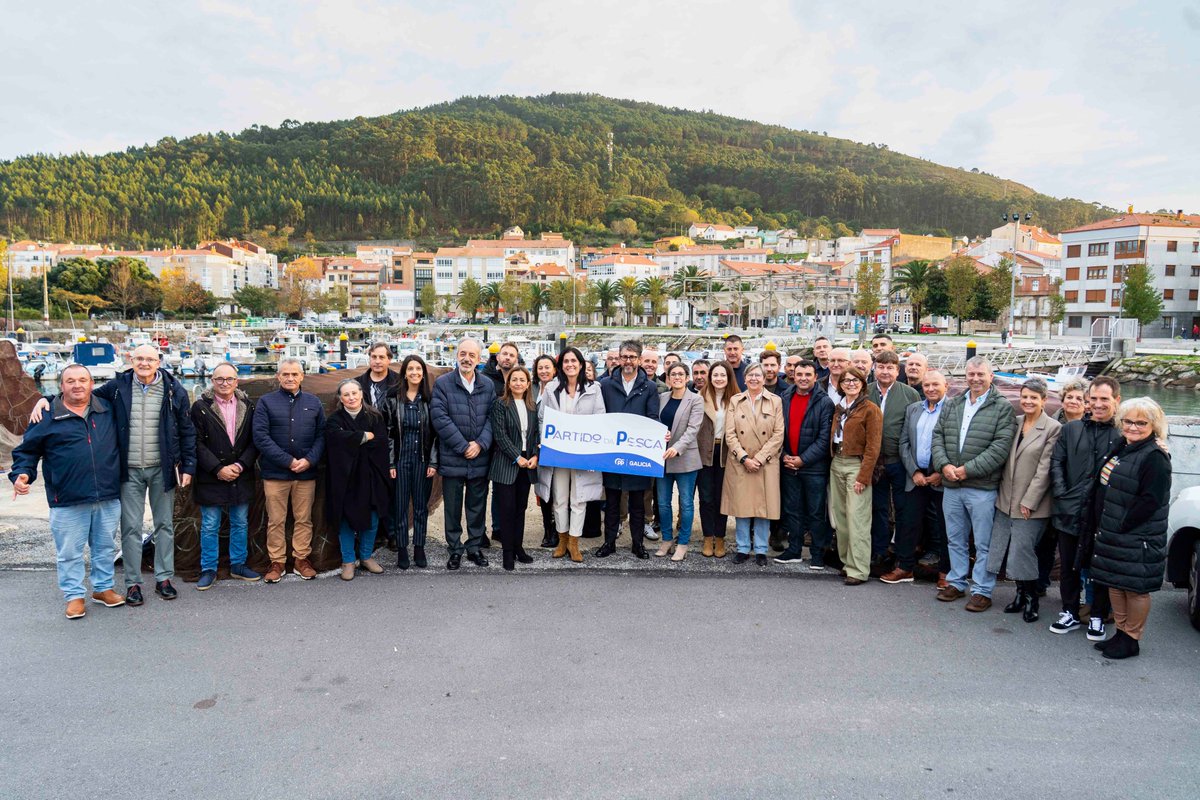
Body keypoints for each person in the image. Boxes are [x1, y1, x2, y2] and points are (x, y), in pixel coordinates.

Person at [33, 344, 197, 604]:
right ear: (131, 360)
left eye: (150, 359)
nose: (144, 363)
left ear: (159, 361)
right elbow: (82, 395)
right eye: (139, 358)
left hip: (162, 468)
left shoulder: (174, 389)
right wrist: (48, 398)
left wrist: (188, 466)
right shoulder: (118, 386)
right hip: (128, 470)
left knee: (164, 525)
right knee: (130, 527)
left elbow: (187, 429)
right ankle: (133, 583)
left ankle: (164, 578)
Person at [10, 365, 125, 618]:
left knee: (105, 547)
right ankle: (74, 595)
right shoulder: (47, 415)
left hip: (107, 494)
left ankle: (103, 588)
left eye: (82, 380)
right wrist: (22, 474)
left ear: (91, 383)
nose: (77, 385)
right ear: (61, 386)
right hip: (67, 498)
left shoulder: (107, 409)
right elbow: (27, 451)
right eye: (70, 381)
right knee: (70, 552)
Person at [1087, 398, 1171, 659]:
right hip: (1114, 531)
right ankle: (1121, 633)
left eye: (1141, 423)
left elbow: (1151, 501)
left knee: (1135, 589)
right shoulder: (1124, 446)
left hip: (1136, 534)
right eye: (1128, 421)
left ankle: (1132, 639)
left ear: (1154, 425)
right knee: (1116, 583)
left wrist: (1122, 524)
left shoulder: (1155, 457)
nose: (1133, 427)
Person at [931, 357, 1016, 610]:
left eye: (980, 374)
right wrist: (944, 465)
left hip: (982, 488)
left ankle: (982, 590)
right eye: (971, 374)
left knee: (983, 543)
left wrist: (968, 470)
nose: (975, 379)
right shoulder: (954, 403)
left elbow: (1000, 447)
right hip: (952, 486)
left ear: (991, 376)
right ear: (965, 376)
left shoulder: (1002, 407)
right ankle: (956, 582)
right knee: (955, 539)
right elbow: (938, 436)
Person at [1048, 376, 1121, 637]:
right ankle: (1069, 611)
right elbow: (1057, 462)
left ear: (1116, 400)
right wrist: (1062, 493)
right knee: (1069, 565)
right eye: (1094, 398)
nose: (1098, 404)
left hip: (1103, 513)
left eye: (1105, 399)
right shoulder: (1071, 429)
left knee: (1099, 567)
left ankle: (1098, 615)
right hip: (1071, 508)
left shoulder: (1123, 434)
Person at [985, 378, 1061, 622]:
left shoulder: (1053, 428)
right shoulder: (1015, 422)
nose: (1028, 401)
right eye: (1025, 396)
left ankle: (1031, 598)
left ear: (1044, 400)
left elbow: (1045, 469)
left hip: (1031, 504)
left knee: (1024, 551)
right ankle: (1019, 595)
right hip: (1006, 498)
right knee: (1008, 549)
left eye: (1034, 398)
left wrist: (1030, 501)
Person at [253, 357, 326, 584]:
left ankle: (301, 559)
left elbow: (321, 436)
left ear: (302, 376)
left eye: (295, 374)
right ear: (278, 377)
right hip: (275, 474)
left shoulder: (314, 402)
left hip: (306, 473)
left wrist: (309, 460)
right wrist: (288, 461)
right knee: (276, 520)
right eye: (285, 374)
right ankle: (277, 561)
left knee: (304, 519)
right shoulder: (266, 402)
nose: (290, 378)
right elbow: (260, 437)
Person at [190, 362, 259, 589]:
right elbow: (195, 443)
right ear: (212, 381)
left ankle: (238, 564)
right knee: (210, 524)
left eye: (229, 379)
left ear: (236, 382)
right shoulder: (200, 407)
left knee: (240, 522)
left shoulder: (249, 406)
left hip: (241, 473)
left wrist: (240, 465)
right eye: (219, 379)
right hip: (211, 475)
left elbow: (254, 441)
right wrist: (217, 468)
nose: (224, 383)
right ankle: (208, 568)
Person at [431, 337, 495, 570]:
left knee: (477, 507)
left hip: (480, 457)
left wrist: (480, 444)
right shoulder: (443, 383)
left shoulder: (487, 384)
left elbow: (493, 418)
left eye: (471, 355)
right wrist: (463, 446)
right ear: (457, 355)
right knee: (452, 508)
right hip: (453, 457)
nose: (466, 359)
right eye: (463, 354)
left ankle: (474, 547)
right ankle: (455, 549)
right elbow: (439, 418)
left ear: (479, 359)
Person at [536, 347, 605, 562]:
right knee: (559, 498)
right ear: (561, 366)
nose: (570, 365)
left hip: (582, 453)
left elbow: (600, 418)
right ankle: (562, 540)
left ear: (581, 364)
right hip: (559, 453)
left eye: (574, 361)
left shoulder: (594, 388)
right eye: (566, 361)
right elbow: (542, 418)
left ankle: (574, 542)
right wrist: (545, 441)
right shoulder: (551, 388)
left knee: (579, 498)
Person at [597, 340, 660, 559]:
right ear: (619, 358)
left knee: (637, 503)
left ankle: (637, 544)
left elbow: (652, 418)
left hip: (637, 453)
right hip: (612, 452)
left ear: (639, 360)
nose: (628, 361)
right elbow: (599, 416)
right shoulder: (605, 385)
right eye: (624, 357)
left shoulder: (649, 387)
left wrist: (659, 434)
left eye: (632, 357)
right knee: (612, 501)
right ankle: (609, 543)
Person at [887, 370, 950, 586]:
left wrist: (941, 472)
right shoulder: (914, 409)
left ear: (946, 386)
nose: (930, 389)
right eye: (927, 385)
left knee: (945, 526)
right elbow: (904, 442)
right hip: (915, 476)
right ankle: (904, 568)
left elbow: (955, 443)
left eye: (935, 384)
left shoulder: (955, 409)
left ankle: (946, 573)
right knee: (908, 523)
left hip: (942, 477)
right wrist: (914, 471)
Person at [326, 379, 391, 580]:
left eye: (354, 393)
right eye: (346, 394)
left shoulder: (374, 417)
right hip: (344, 477)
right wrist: (363, 436)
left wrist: (350, 440)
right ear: (340, 398)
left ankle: (365, 556)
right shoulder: (334, 419)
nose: (351, 397)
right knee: (345, 519)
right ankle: (348, 561)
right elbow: (335, 442)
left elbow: (380, 442)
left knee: (372, 517)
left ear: (361, 394)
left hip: (370, 475)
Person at [721, 363, 784, 566]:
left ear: (764, 379)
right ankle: (742, 548)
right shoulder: (736, 400)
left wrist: (759, 459)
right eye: (750, 375)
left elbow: (778, 434)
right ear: (745, 378)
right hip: (740, 462)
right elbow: (730, 434)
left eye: (758, 375)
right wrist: (744, 458)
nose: (754, 379)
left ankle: (761, 549)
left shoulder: (775, 401)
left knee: (763, 508)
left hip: (766, 462)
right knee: (742, 507)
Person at [774, 359, 834, 569]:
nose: (803, 378)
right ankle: (794, 549)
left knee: (816, 512)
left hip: (814, 467)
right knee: (792, 510)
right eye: (799, 374)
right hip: (789, 464)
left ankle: (817, 554)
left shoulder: (825, 402)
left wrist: (802, 460)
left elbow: (824, 439)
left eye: (808, 375)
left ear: (815, 377)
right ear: (793, 375)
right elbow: (778, 431)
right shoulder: (785, 398)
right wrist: (784, 456)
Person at [828, 367, 883, 584]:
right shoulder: (840, 407)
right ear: (841, 385)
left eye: (855, 380)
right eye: (846, 380)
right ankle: (846, 562)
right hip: (837, 462)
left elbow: (873, 447)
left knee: (857, 518)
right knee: (841, 518)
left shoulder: (871, 409)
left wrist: (863, 476)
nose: (850, 384)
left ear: (862, 383)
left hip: (856, 465)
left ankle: (858, 569)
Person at [867, 350, 921, 569]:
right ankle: (879, 551)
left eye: (890, 368)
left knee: (902, 508)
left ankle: (901, 553)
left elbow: (916, 429)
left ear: (898, 371)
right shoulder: (866, 391)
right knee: (878, 508)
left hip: (899, 461)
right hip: (874, 462)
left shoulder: (910, 394)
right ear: (874, 369)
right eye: (881, 367)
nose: (885, 371)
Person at [386, 354, 438, 569]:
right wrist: (391, 463)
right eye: (411, 369)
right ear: (404, 373)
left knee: (420, 507)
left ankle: (419, 547)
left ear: (423, 374)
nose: (415, 372)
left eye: (418, 369)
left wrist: (433, 462)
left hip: (422, 461)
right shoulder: (393, 400)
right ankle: (402, 548)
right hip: (400, 461)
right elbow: (388, 434)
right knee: (399, 507)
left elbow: (435, 435)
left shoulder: (429, 401)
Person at [490, 366, 540, 571]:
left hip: (527, 463)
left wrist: (535, 456)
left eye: (522, 380)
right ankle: (507, 552)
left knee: (520, 509)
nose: (518, 383)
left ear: (528, 384)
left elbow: (535, 434)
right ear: (508, 384)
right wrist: (517, 457)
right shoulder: (500, 404)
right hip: (507, 463)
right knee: (507, 510)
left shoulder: (532, 407)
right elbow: (500, 435)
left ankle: (519, 548)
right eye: (514, 380)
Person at [655, 362, 703, 561]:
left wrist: (677, 447)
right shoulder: (662, 398)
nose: (676, 377)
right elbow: (656, 422)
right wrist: (659, 434)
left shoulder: (696, 400)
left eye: (680, 374)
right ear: (668, 378)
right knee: (663, 503)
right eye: (673, 374)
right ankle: (667, 540)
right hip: (663, 458)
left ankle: (683, 543)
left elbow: (693, 429)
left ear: (687, 377)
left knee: (686, 503)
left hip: (685, 458)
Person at [698, 361, 737, 557]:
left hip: (726, 453)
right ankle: (707, 537)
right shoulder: (700, 398)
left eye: (723, 375)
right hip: (705, 451)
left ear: (729, 377)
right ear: (710, 377)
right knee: (706, 497)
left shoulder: (737, 399)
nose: (719, 379)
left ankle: (720, 537)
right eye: (715, 375)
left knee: (722, 497)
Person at [532, 354, 561, 548]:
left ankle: (558, 530)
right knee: (542, 490)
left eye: (547, 367)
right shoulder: (531, 388)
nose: (543, 371)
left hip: (555, 446)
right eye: (540, 367)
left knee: (557, 490)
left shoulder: (559, 389)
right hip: (535, 445)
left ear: (554, 370)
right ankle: (547, 529)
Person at [356, 341, 400, 409]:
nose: (377, 361)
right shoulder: (357, 383)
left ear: (389, 360)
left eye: (381, 357)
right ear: (369, 359)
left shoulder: (399, 381)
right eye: (374, 357)